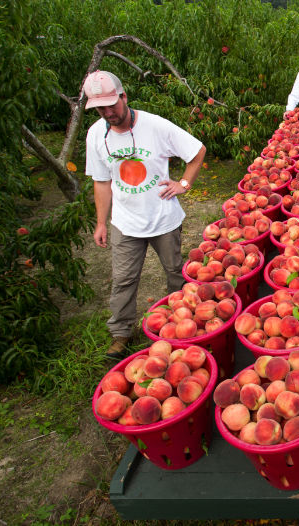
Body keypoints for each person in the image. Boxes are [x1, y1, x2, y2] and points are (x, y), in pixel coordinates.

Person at [83, 70, 206, 359]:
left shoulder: (155, 126)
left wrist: (184, 184)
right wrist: (101, 222)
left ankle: (182, 323)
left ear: (124, 96)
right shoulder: (95, 135)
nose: (108, 112)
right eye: (100, 108)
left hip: (163, 218)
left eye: (112, 104)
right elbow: (101, 181)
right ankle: (122, 332)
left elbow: (197, 151)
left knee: (176, 272)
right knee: (124, 279)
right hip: (125, 222)